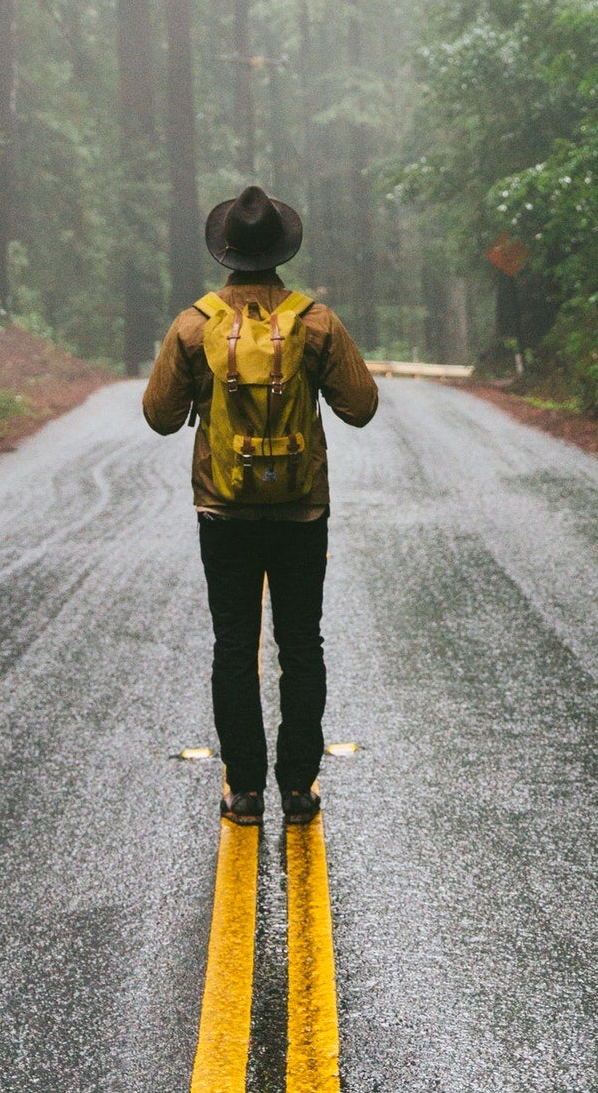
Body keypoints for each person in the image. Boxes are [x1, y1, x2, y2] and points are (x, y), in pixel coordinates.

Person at [143, 183, 378, 828]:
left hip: (223, 510)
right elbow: (362, 406)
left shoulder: (194, 324)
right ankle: (299, 788)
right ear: (281, 250)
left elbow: (160, 417)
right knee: (302, 643)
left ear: (225, 251)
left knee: (233, 644)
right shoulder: (316, 322)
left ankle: (244, 791)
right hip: (301, 510)